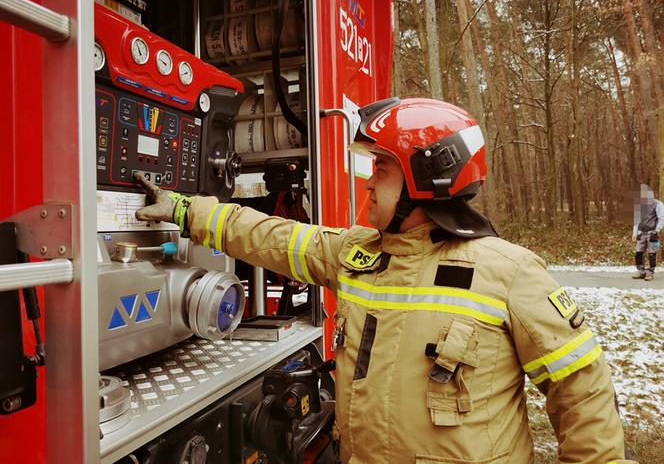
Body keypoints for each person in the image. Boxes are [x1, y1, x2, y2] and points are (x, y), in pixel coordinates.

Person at [135, 97, 635, 464]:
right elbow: (273, 237)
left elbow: (583, 396)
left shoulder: (511, 274)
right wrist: (185, 210)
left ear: (427, 180)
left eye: (381, 168)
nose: (369, 182)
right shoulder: (357, 253)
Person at [631, 184, 664, 281]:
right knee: (638, 253)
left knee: (652, 254)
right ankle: (641, 271)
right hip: (641, 233)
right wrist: (634, 233)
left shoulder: (657, 204)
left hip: (652, 233)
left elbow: (662, 218)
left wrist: (657, 230)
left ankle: (650, 272)